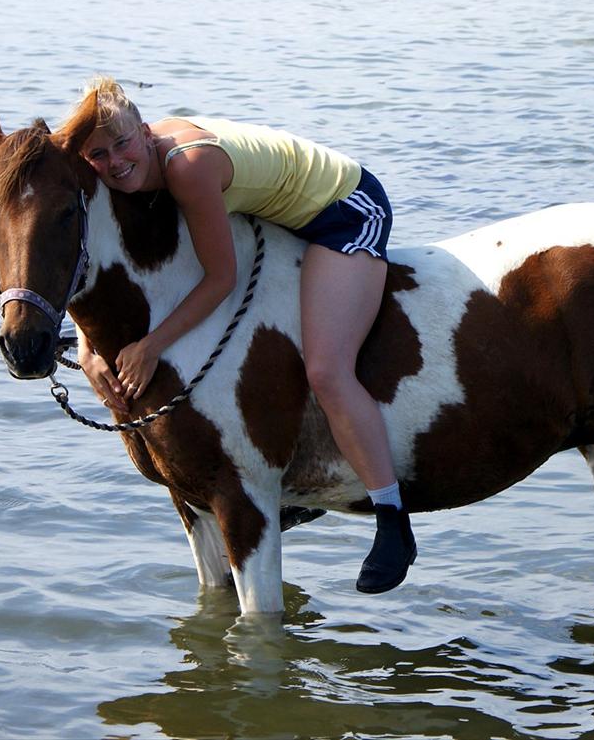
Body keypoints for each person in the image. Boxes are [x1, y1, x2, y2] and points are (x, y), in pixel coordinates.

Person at [61, 76, 415, 595]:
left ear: (144, 130)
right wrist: (89, 348)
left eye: (123, 145)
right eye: (98, 155)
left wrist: (151, 345)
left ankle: (392, 519)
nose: (115, 163)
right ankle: (288, 492)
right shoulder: (132, 173)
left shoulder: (187, 168)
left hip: (345, 210)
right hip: (274, 215)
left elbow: (220, 279)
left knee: (326, 368)